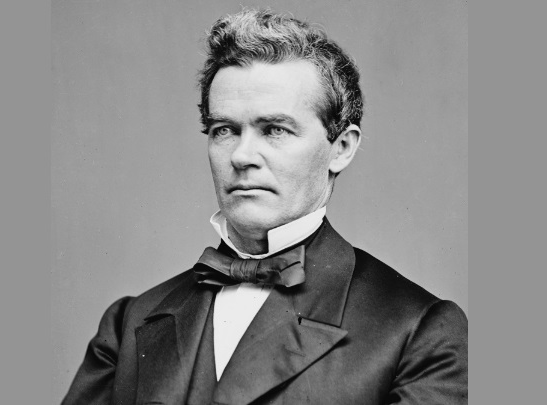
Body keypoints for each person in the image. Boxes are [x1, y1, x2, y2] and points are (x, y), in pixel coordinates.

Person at [63, 9, 467, 405]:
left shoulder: (418, 331)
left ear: (341, 148)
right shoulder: (130, 321)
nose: (242, 155)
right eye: (225, 130)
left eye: (274, 129)